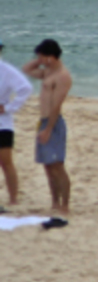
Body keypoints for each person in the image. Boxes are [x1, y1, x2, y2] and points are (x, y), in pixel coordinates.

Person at [22, 39, 72, 219]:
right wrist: (40, 60)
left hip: (54, 122)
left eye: (42, 56)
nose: (39, 60)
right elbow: (26, 70)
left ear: (51, 56)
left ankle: (65, 205)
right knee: (48, 166)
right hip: (42, 121)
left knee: (57, 165)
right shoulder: (49, 72)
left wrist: (49, 129)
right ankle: (54, 202)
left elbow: (57, 105)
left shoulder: (63, 76)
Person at [0, 37, 34, 209]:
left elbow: (25, 88)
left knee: (6, 161)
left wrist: (8, 107)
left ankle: (13, 199)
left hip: (3, 123)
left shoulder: (6, 70)